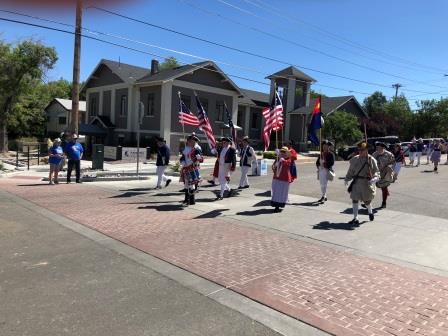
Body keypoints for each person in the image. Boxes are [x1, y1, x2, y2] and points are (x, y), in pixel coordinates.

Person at [345, 142, 379, 224]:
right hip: (356, 182)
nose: (360, 151)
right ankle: (355, 218)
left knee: (367, 201)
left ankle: (370, 212)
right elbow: (351, 171)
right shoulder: (354, 159)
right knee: (354, 199)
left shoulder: (371, 160)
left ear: (366, 150)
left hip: (366, 183)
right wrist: (347, 178)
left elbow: (376, 172)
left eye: (362, 150)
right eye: (359, 150)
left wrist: (374, 178)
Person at [180, 134, 203, 206]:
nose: (193, 143)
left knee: (191, 184)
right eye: (191, 142)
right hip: (186, 168)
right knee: (186, 184)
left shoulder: (196, 150)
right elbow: (182, 158)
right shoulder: (186, 149)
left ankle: (192, 200)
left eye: (194, 142)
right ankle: (186, 199)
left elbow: (201, 159)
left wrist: (198, 159)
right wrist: (183, 162)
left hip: (193, 168)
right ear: (188, 142)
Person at [271, 147, 296, 212]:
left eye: (284, 152)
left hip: (284, 178)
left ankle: (279, 206)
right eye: (281, 152)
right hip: (277, 178)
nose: (283, 153)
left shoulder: (289, 159)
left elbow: (287, 164)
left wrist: (283, 161)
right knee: (276, 192)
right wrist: (275, 165)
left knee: (282, 193)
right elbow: (273, 167)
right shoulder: (277, 159)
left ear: (287, 153)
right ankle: (276, 205)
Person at [373, 142, 395, 209]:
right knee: (371, 188)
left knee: (384, 188)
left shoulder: (389, 154)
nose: (377, 149)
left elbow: (393, 163)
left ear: (383, 148)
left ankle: (384, 203)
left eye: (379, 148)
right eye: (377, 148)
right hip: (376, 173)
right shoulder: (374, 154)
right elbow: (371, 163)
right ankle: (368, 203)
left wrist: (388, 167)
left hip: (385, 174)